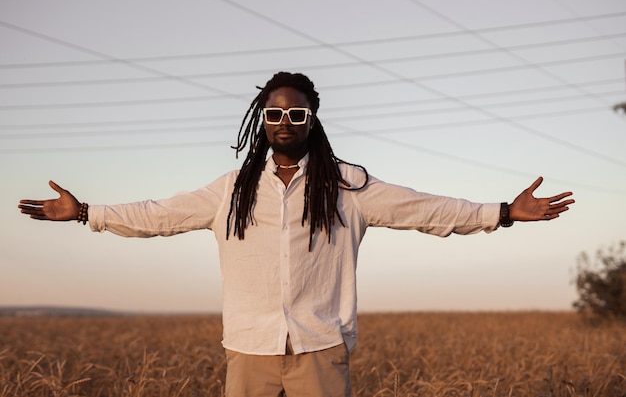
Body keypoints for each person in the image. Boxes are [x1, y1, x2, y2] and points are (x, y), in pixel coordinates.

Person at [18, 71, 574, 397]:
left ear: (313, 119)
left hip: (319, 351)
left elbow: (423, 210)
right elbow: (158, 214)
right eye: (274, 113)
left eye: (297, 114)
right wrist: (87, 210)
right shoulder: (231, 189)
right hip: (248, 352)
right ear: (261, 120)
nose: (285, 122)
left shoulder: (348, 187)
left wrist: (501, 211)